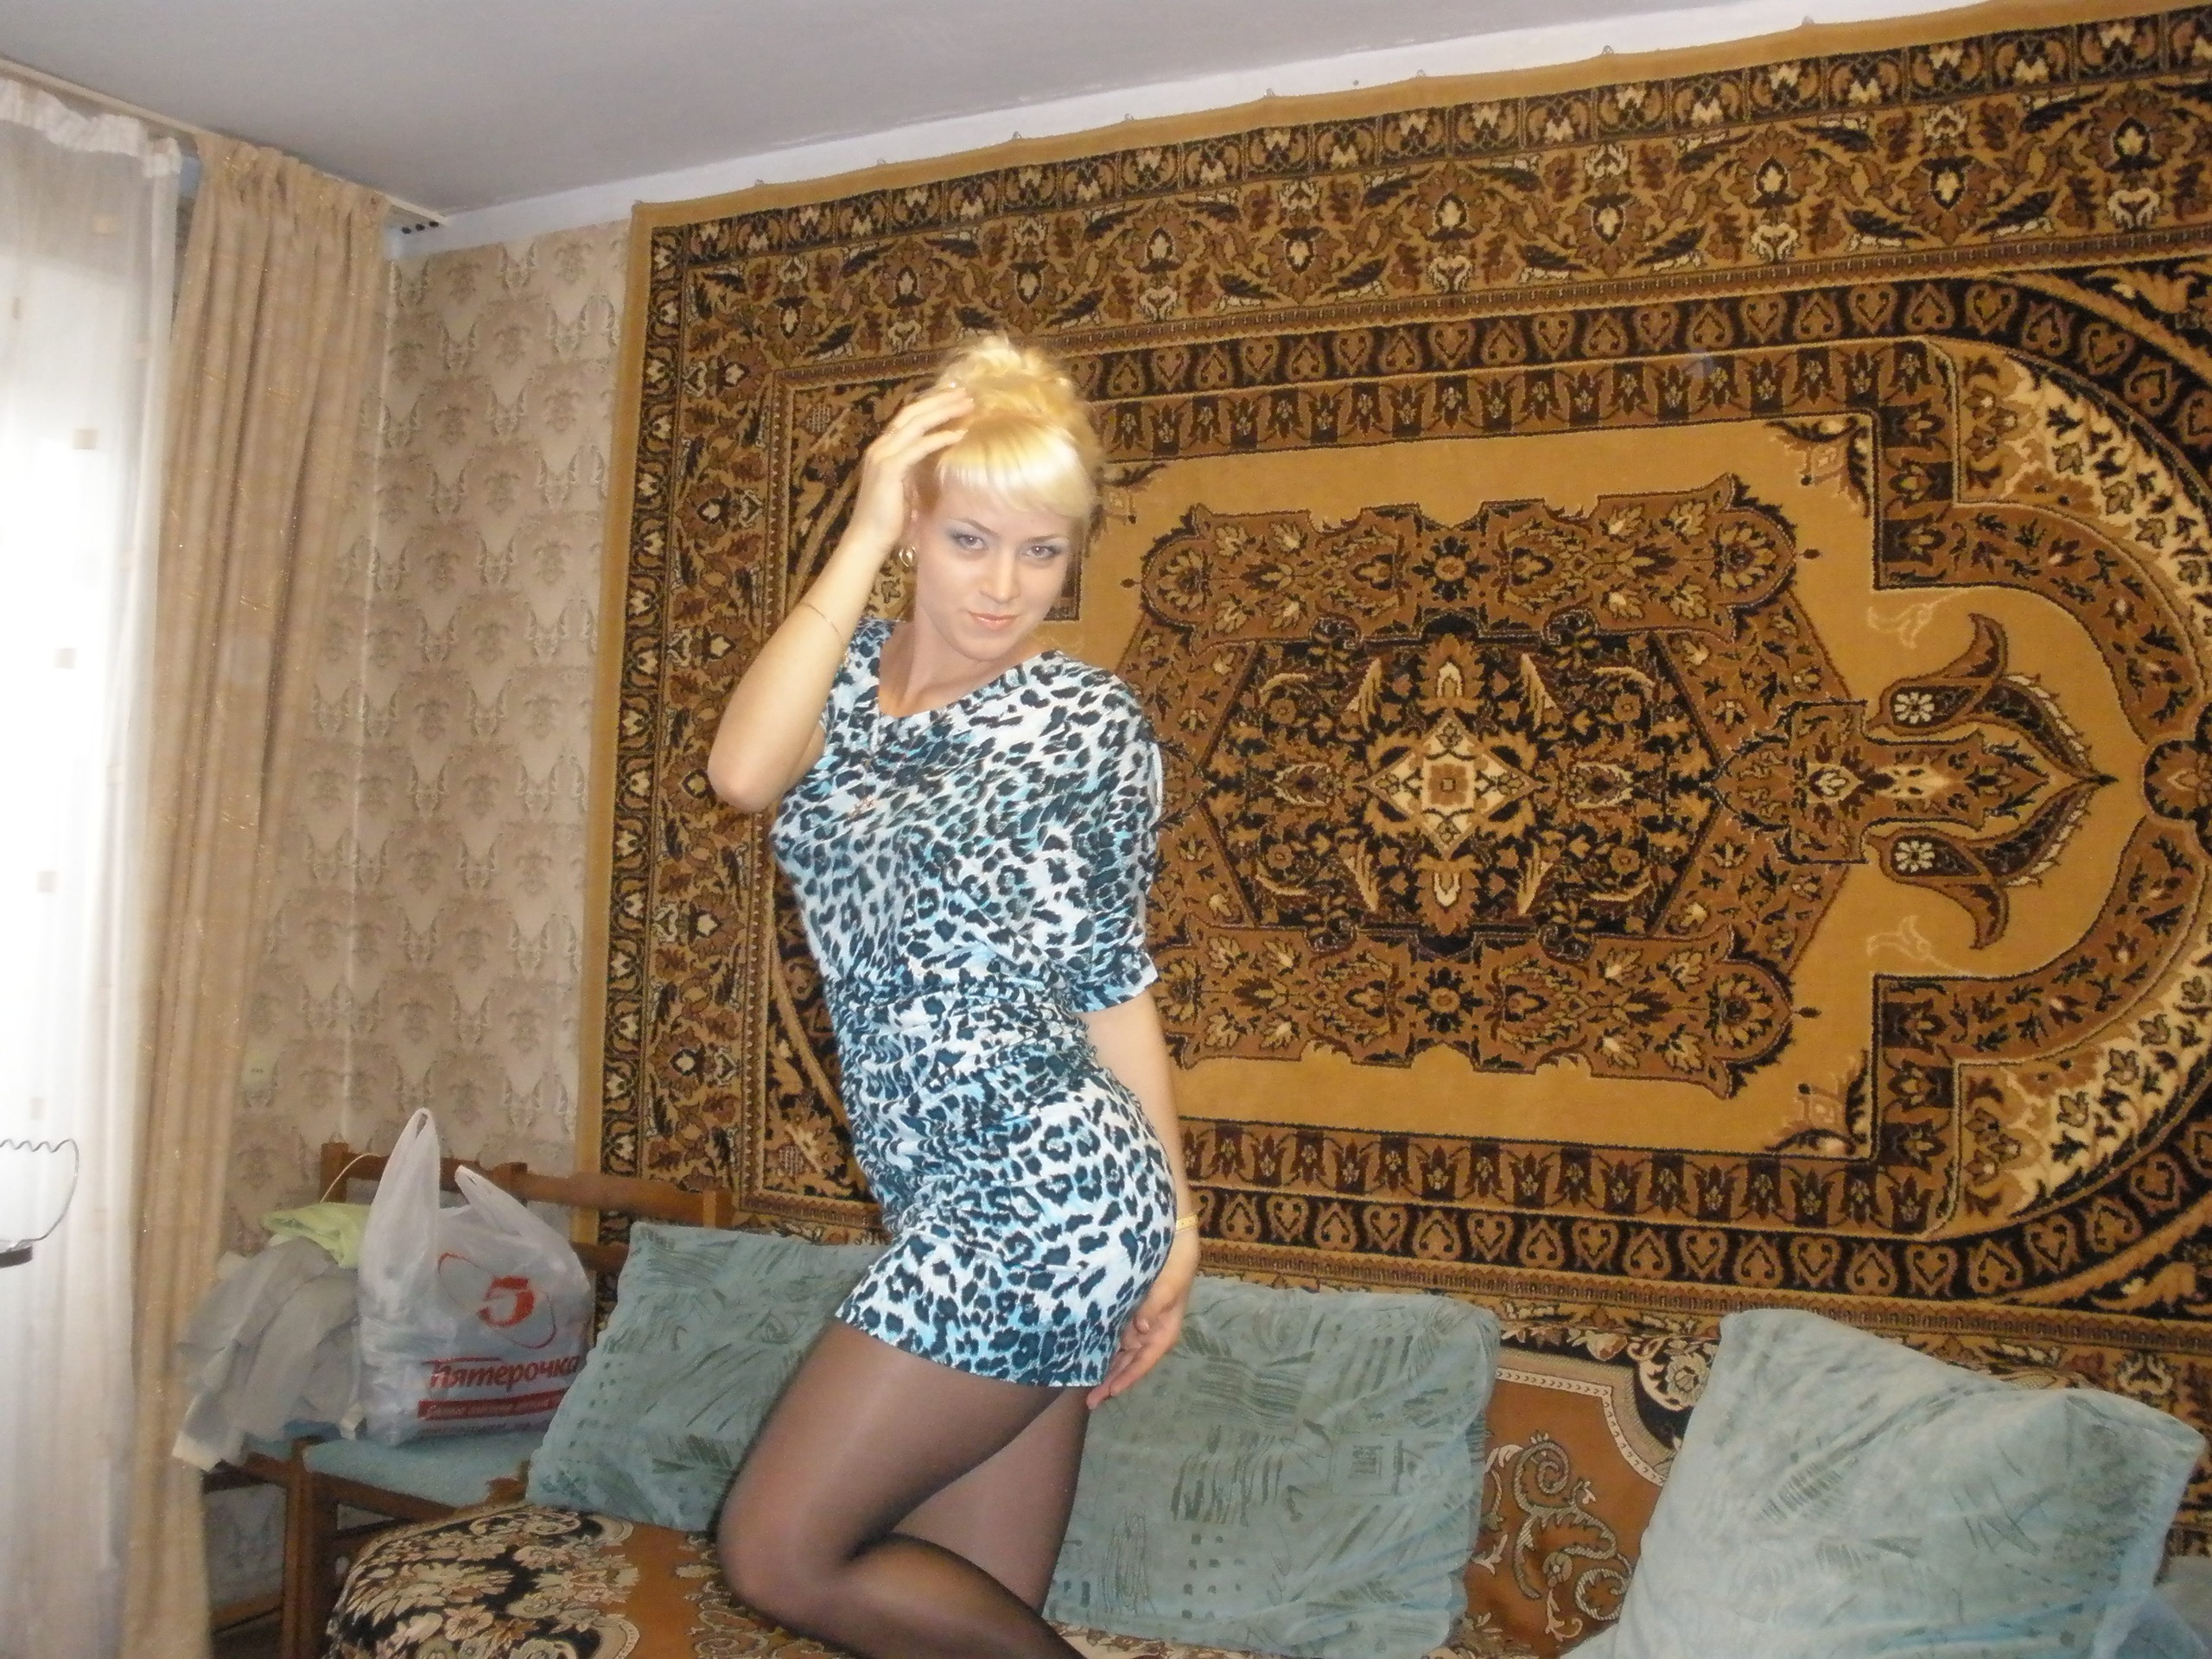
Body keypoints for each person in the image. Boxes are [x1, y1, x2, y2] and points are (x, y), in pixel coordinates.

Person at [705, 334, 1200, 1659]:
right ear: (916, 524)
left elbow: (1111, 978)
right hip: (939, 1195)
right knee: (971, 1617)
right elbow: (743, 773)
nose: (1004, 585)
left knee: (777, 1550)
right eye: (971, 538)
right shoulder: (836, 684)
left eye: (1041, 551)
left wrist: (1179, 1222)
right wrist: (866, 525)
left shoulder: (1086, 721)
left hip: (1046, 1191)